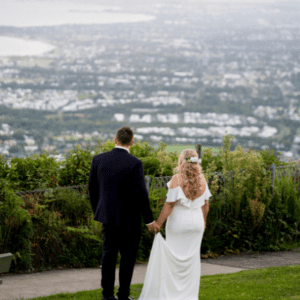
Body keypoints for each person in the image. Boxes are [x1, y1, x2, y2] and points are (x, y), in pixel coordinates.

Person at [88, 126, 211, 300]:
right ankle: (123, 295)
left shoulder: (98, 160)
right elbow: (141, 194)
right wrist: (149, 221)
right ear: (132, 142)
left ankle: (107, 296)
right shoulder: (135, 163)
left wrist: (98, 213)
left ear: (115, 140)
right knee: (128, 258)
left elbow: (92, 190)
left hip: (107, 218)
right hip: (130, 220)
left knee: (108, 256)